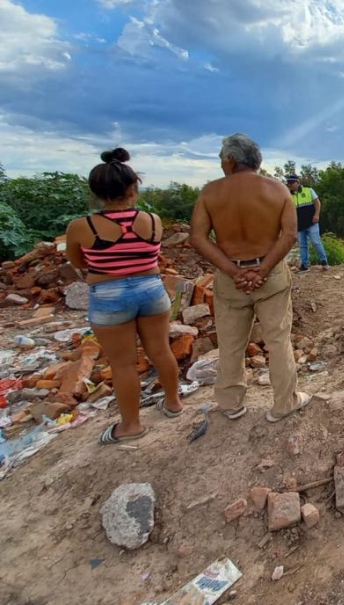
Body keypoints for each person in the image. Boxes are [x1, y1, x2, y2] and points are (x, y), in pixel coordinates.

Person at [65, 148, 183, 444]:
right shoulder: (153, 220)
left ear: (96, 192)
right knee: (161, 351)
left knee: (123, 364)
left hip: (108, 295)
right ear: (134, 187)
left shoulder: (81, 226)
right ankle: (173, 403)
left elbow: (78, 262)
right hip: (151, 289)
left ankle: (131, 426)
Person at [190, 134, 309, 423]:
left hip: (231, 278)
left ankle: (230, 404)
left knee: (230, 343)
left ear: (231, 160)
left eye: (221, 159)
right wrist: (262, 270)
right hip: (270, 276)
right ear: (256, 160)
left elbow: (198, 238)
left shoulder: (210, 193)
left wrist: (233, 271)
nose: (221, 164)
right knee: (278, 339)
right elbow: (290, 235)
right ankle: (284, 403)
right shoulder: (278, 189)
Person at [286, 174, 329, 272]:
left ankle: (324, 262)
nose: (290, 185)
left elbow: (317, 203)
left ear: (298, 182)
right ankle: (305, 265)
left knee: (316, 242)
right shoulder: (289, 195)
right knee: (302, 245)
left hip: (311, 222)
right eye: (289, 183)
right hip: (299, 225)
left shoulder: (308, 190)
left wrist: (317, 215)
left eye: (292, 183)